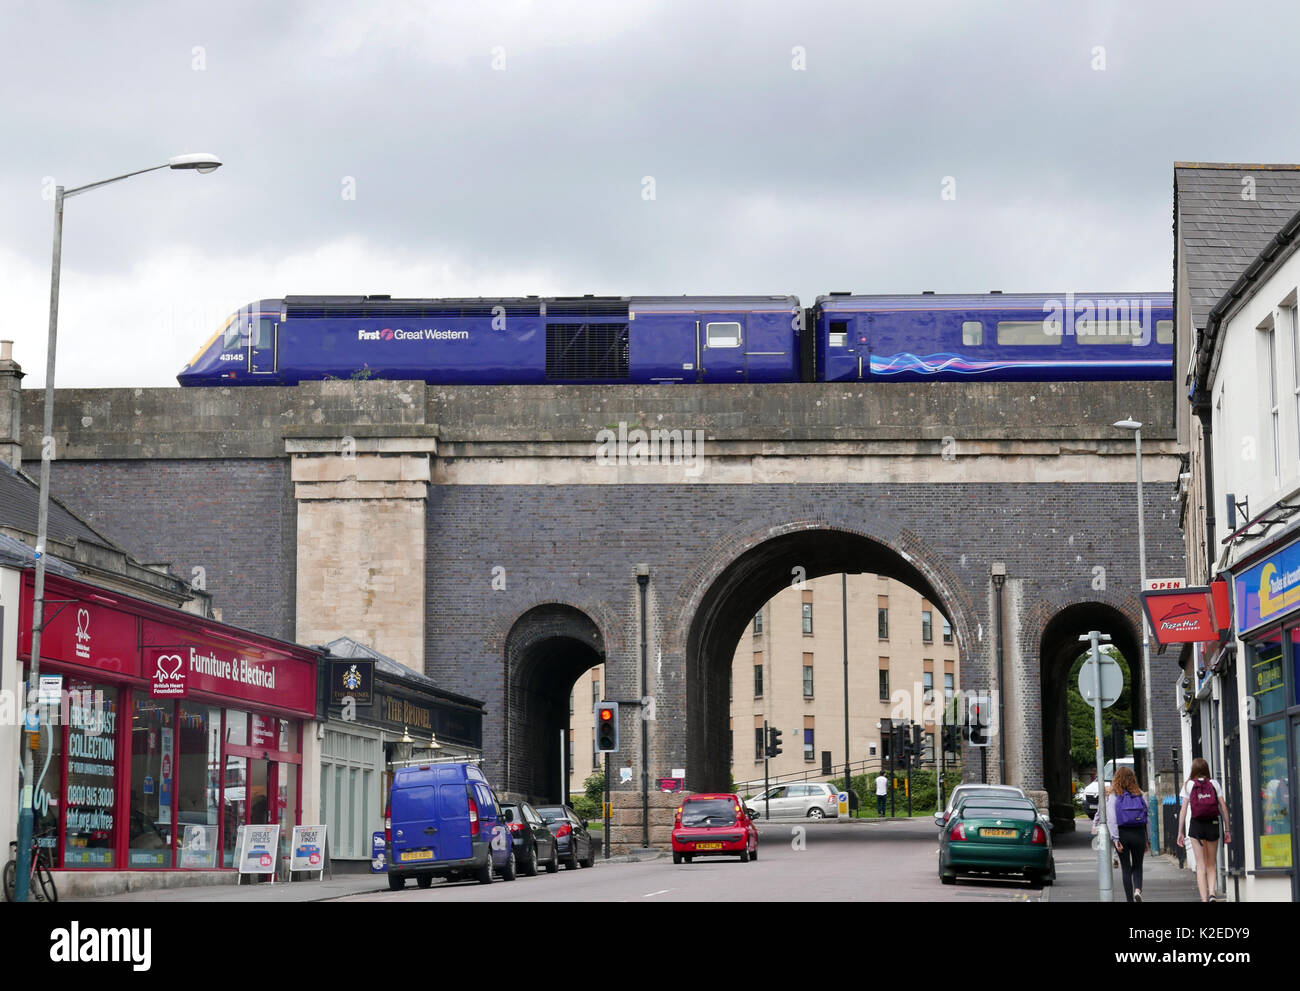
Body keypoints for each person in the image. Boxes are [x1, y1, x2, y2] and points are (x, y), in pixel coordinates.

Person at [1177, 757, 1231, 902]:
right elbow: (1224, 808)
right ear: (1206, 769)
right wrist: (1227, 830)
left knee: (1200, 865)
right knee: (1211, 864)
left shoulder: (1188, 785)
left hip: (1197, 825)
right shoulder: (1214, 783)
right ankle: (1212, 893)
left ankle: (1204, 899)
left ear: (1193, 770)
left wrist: (1180, 832)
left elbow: (1183, 810)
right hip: (1212, 824)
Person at [1108, 766, 1150, 903]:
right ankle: (1137, 890)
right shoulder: (1140, 794)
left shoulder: (1114, 795)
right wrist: (1147, 839)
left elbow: (1112, 819)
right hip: (1138, 834)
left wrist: (1115, 839)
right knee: (1138, 866)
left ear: (1117, 779)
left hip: (1122, 834)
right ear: (1133, 778)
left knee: (1126, 868)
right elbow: (1146, 818)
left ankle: (1129, 900)